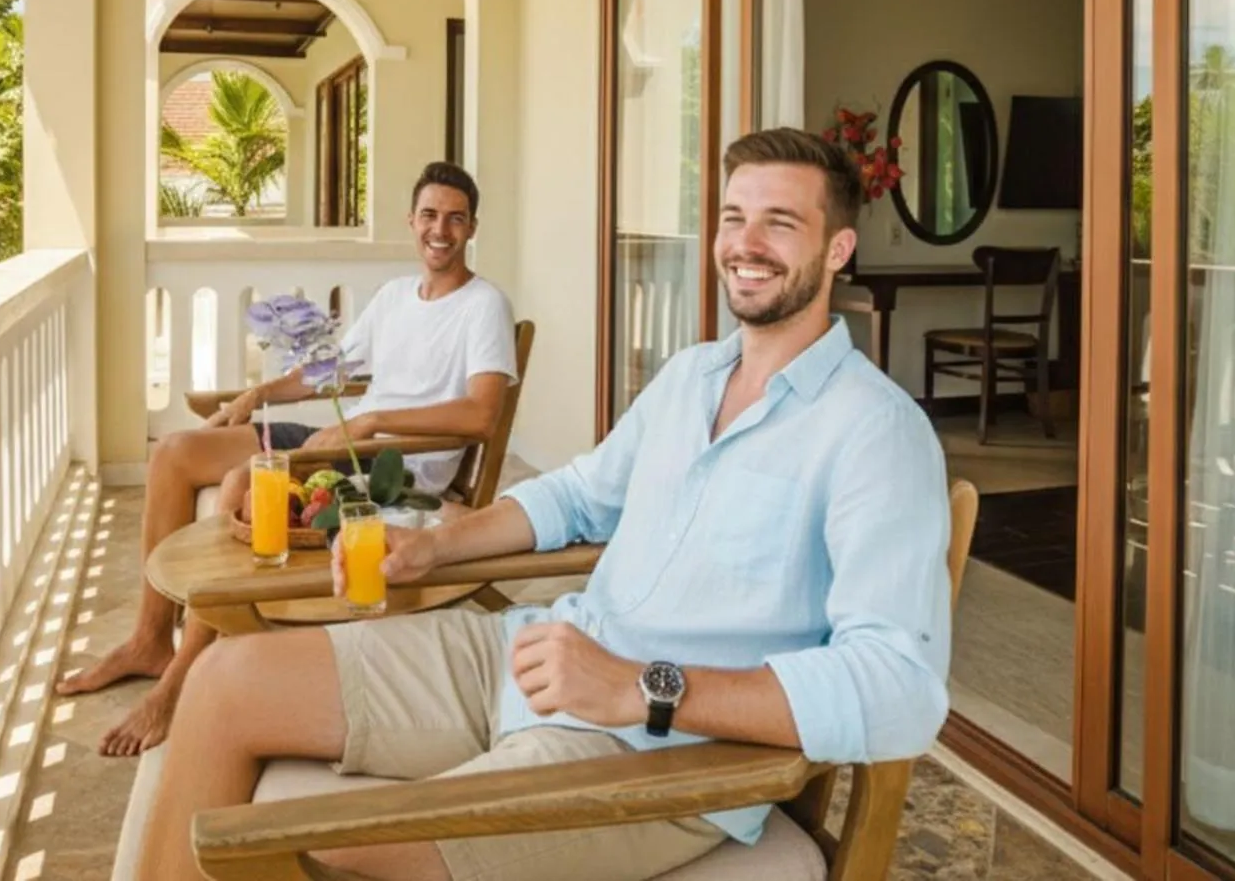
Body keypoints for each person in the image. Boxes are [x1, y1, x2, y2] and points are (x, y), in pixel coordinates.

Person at [140, 127, 954, 881]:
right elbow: (578, 495)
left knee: (329, 840)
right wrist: (436, 545)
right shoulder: (690, 377)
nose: (745, 243)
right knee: (223, 679)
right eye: (734, 216)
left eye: (780, 222)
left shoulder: (875, 431)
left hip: (660, 755)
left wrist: (645, 686)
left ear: (837, 246)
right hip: (531, 654)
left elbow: (900, 688)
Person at [58, 161, 518, 757]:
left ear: (472, 228)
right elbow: (334, 371)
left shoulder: (484, 306)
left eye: (455, 219)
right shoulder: (395, 295)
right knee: (174, 452)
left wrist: (373, 420)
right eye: (429, 215)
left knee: (241, 484)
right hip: (347, 439)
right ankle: (149, 640)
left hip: (397, 463)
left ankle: (179, 680)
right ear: (411, 221)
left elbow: (481, 414)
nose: (440, 229)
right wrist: (258, 395)